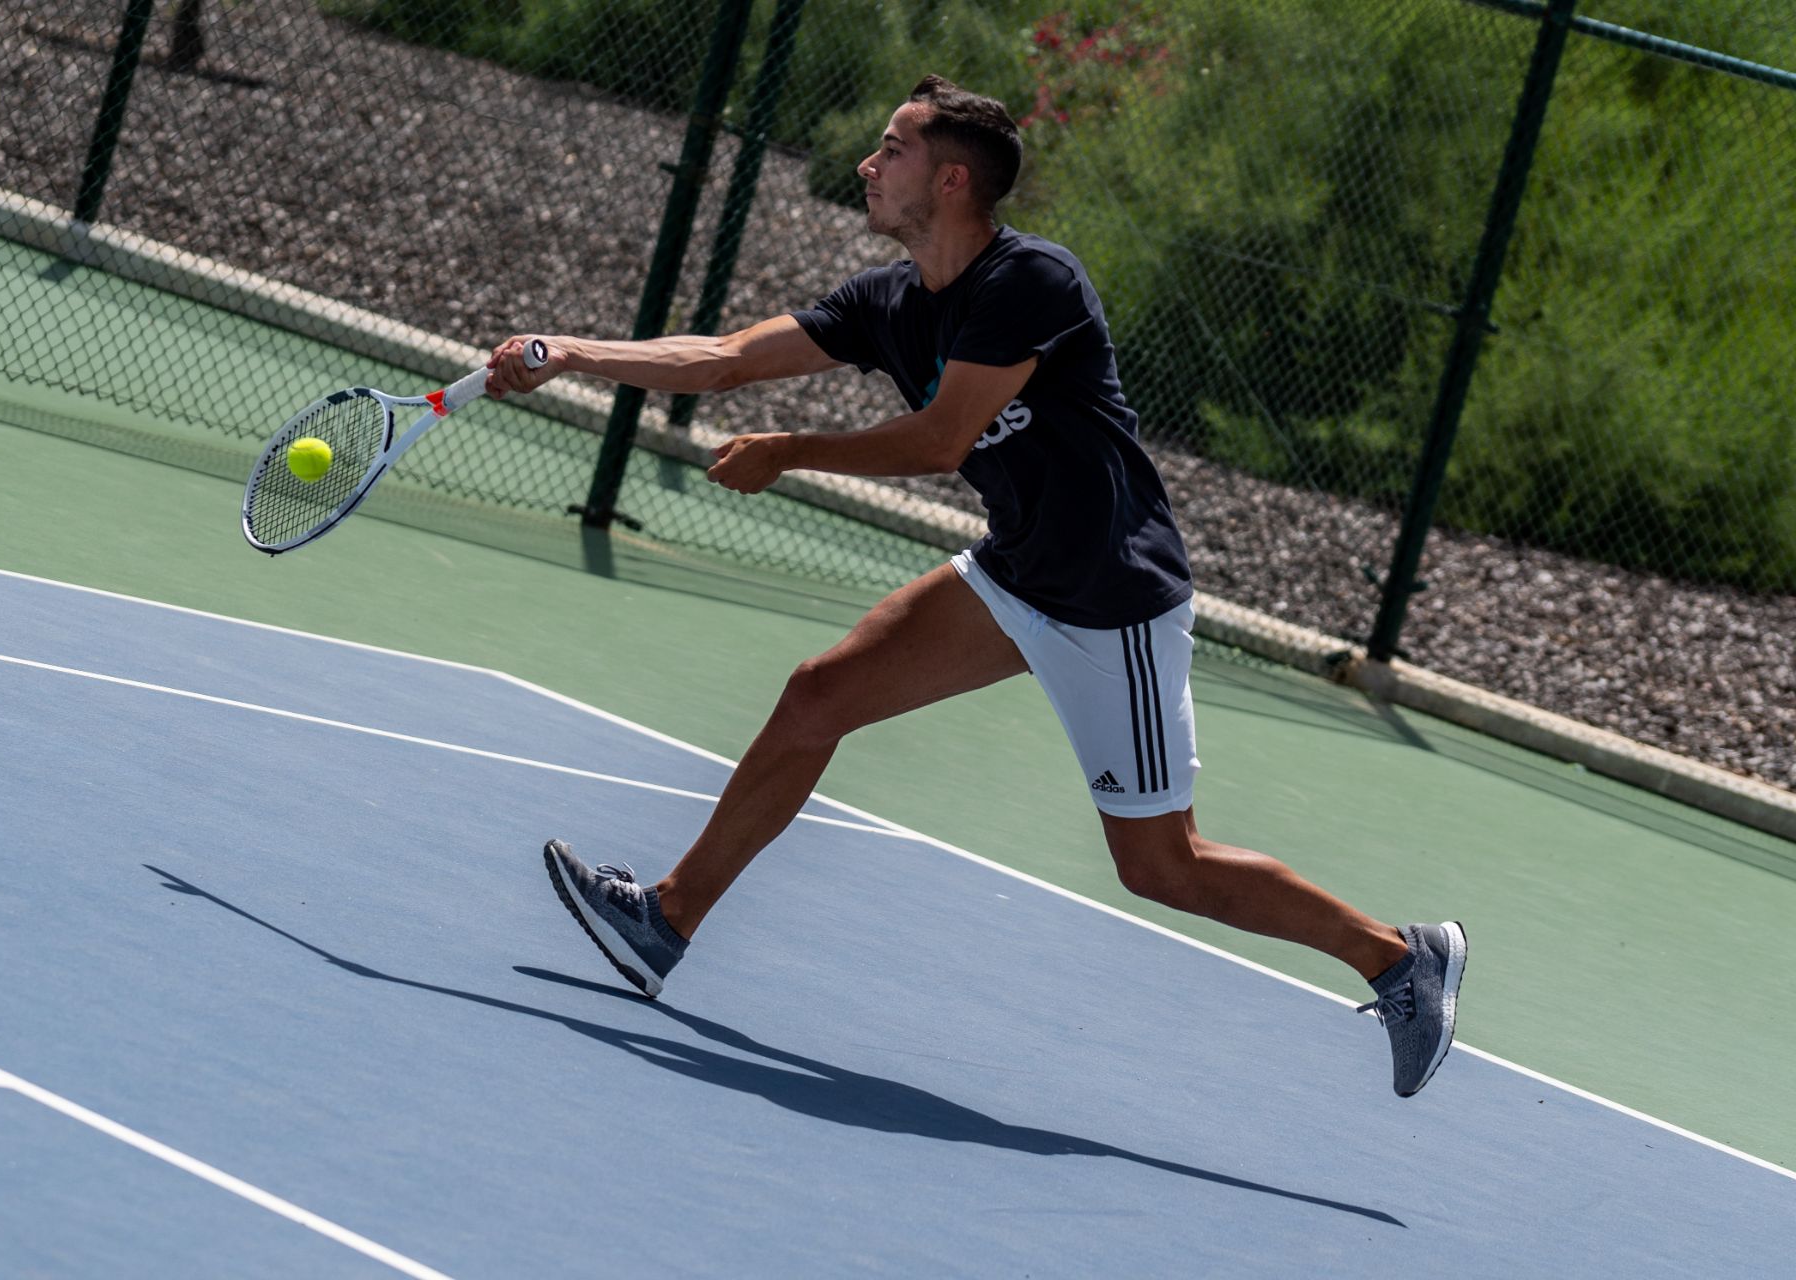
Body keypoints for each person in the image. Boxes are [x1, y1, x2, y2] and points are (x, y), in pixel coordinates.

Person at [486, 75, 1465, 1097]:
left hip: (1109, 596)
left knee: (1159, 864)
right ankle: (665, 920)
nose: (870, 162)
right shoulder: (890, 302)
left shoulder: (1031, 280)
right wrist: (574, 352)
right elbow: (727, 357)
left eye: (892, 148)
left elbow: (941, 436)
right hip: (1016, 569)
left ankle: (1399, 957)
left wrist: (792, 451)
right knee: (819, 693)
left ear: (950, 180)